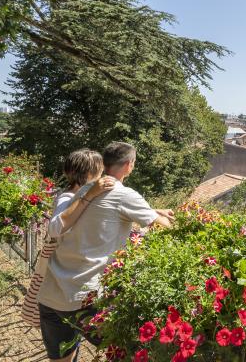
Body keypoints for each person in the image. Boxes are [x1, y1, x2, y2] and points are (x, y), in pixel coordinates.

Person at [37, 142, 175, 362]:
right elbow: (164, 227)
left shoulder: (83, 191)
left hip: (52, 294)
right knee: (127, 353)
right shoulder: (124, 194)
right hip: (84, 299)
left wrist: (149, 210)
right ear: (129, 165)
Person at [21, 149, 115, 327]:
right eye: (100, 171)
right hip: (66, 275)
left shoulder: (76, 196)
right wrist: (91, 194)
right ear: (89, 173)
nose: (102, 175)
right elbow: (56, 227)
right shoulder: (68, 197)